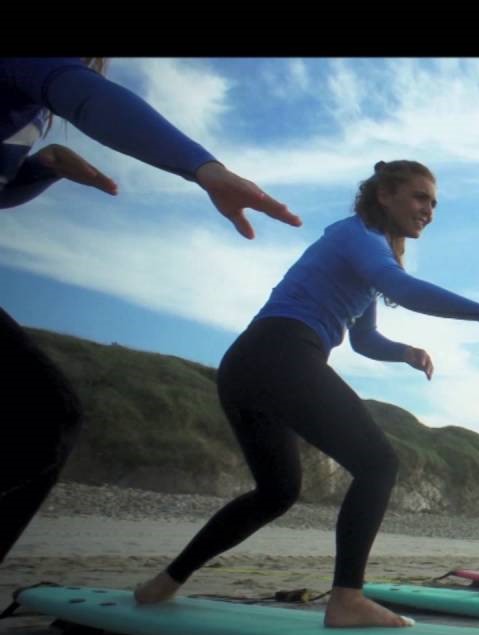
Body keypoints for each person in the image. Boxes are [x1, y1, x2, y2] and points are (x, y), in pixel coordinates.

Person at [134, 160, 479, 628]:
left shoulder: (366, 253)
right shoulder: (358, 238)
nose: (428, 210)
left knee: (277, 491)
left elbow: (363, 339)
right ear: (383, 196)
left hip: (250, 363)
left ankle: (164, 583)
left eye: (433, 203)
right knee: (379, 463)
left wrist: (406, 353)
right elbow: (404, 289)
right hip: (282, 352)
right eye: (419, 197)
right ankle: (347, 597)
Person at [0, 57, 301, 566]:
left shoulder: (32, 108)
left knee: (46, 416)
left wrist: (44, 169)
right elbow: (87, 96)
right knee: (45, 416)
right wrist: (205, 168)